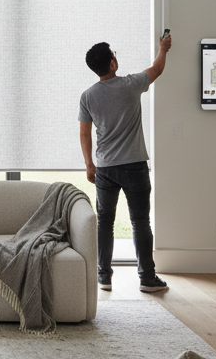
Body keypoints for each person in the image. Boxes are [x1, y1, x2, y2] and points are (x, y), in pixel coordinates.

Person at [78, 32, 172, 293]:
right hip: (134, 166)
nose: (116, 58)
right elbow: (157, 69)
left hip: (105, 168)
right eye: (114, 55)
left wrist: (89, 165)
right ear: (111, 64)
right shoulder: (131, 84)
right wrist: (163, 48)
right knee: (140, 221)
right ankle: (147, 278)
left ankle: (103, 277)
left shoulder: (88, 96)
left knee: (105, 222)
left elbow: (85, 133)